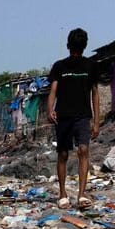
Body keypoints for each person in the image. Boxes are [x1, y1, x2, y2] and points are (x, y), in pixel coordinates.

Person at [47, 28, 100, 210]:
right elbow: (53, 90)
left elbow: (95, 93)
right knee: (62, 154)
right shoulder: (59, 66)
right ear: (69, 46)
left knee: (83, 150)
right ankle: (62, 194)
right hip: (63, 116)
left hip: (83, 116)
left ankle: (81, 195)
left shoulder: (90, 66)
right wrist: (50, 109)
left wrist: (96, 121)